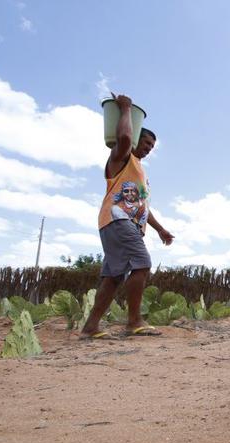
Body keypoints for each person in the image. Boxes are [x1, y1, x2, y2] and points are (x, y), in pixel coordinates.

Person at [81, 93, 174, 339]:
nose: (148, 149)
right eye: (145, 143)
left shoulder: (139, 171)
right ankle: (134, 321)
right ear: (136, 137)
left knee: (113, 277)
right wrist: (125, 109)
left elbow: (142, 207)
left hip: (120, 223)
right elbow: (123, 137)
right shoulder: (121, 157)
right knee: (142, 264)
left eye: (152, 147)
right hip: (118, 220)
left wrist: (160, 229)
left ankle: (90, 327)